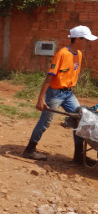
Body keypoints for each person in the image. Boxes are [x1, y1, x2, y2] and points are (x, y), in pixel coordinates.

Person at [23, 25, 98, 165]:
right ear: (77, 39)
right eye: (86, 40)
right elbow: (49, 77)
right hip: (55, 94)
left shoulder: (79, 54)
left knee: (80, 120)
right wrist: (41, 98)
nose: (88, 43)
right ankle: (29, 150)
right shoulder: (62, 54)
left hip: (68, 94)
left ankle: (78, 156)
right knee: (45, 122)